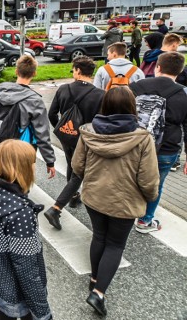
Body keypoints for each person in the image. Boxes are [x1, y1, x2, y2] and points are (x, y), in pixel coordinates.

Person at [72, 86, 159, 317]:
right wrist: (150, 198)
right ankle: (98, 293)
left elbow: (77, 166)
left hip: (93, 196)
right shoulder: (142, 137)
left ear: (105, 104)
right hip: (125, 201)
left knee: (99, 236)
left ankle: (94, 279)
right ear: (132, 107)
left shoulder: (89, 131)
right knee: (115, 244)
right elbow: (148, 178)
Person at [0, 140, 52, 320]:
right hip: (17, 286)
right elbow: (27, 269)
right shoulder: (20, 213)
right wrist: (43, 313)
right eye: (33, 163)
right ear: (22, 169)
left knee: (4, 314)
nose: (34, 168)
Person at [44, 57, 105, 230]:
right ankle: (56, 208)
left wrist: (62, 129)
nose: (73, 72)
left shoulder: (63, 89)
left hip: (66, 136)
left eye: (73, 70)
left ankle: (73, 196)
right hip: (85, 139)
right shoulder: (100, 94)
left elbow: (51, 114)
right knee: (79, 171)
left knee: (72, 162)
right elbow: (101, 121)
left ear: (78, 70)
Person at [129, 52, 187, 233]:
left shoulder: (135, 87)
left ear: (158, 67)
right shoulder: (184, 94)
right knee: (156, 184)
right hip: (167, 149)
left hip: (134, 144)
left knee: (130, 178)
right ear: (180, 70)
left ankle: (124, 213)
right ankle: (145, 221)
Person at [0, 55, 56, 178]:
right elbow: (42, 134)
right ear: (34, 74)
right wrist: (50, 161)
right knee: (19, 185)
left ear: (16, 71)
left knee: (0, 181)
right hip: (21, 151)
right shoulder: (34, 100)